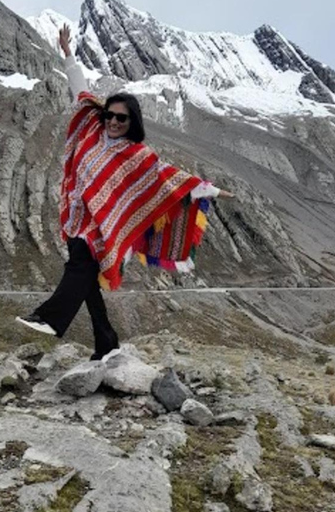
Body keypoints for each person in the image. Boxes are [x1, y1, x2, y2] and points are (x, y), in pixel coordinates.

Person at [16, 24, 235, 360]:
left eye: (122, 118)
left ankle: (50, 319)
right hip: (78, 218)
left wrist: (213, 191)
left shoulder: (137, 155)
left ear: (132, 121)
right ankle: (107, 344)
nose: (114, 121)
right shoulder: (91, 126)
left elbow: (168, 178)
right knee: (87, 284)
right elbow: (80, 89)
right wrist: (69, 54)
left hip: (102, 227)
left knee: (79, 266)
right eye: (111, 115)